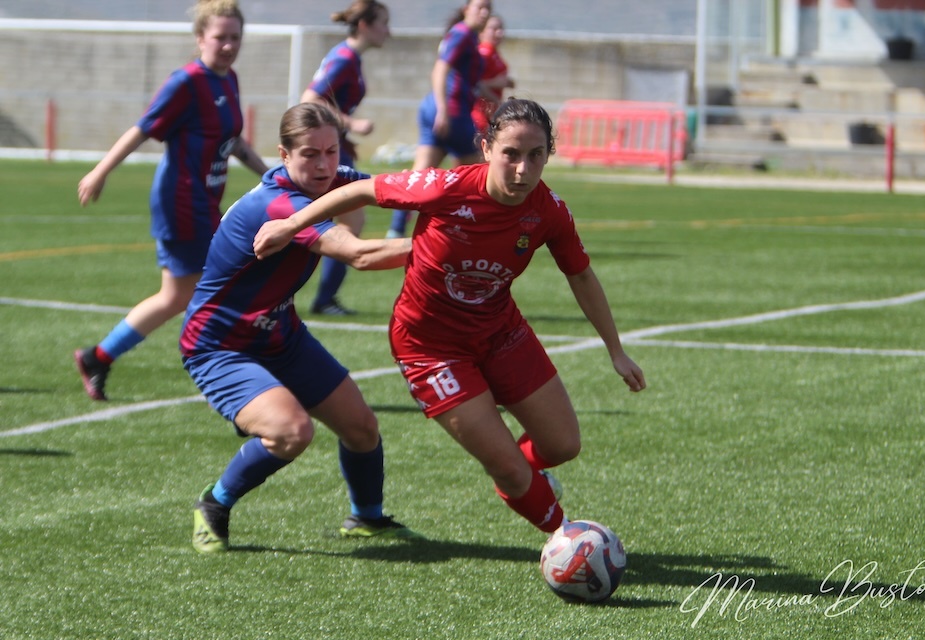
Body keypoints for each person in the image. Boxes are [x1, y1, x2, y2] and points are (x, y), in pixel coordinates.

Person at [254, 98, 646, 535]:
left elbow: (582, 276)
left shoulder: (547, 210)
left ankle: (518, 479)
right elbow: (362, 190)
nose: (522, 169)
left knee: (563, 444)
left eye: (535, 156)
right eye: (510, 154)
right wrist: (292, 224)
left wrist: (617, 351)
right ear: (486, 149)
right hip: (430, 347)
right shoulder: (445, 187)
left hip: (500, 332)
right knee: (513, 472)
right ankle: (567, 536)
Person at [184, 102, 417, 553]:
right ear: (284, 155)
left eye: (332, 151)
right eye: (311, 153)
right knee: (291, 432)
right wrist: (446, 245)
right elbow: (358, 255)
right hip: (220, 346)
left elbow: (391, 188)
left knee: (362, 428)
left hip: (280, 336)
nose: (325, 164)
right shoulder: (278, 203)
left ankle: (366, 517)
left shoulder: (334, 177)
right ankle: (213, 505)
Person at [74, 0, 270, 401]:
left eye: (235, 37)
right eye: (220, 37)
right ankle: (245, 372)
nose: (229, 45)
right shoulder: (186, 82)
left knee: (179, 296)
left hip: (206, 202)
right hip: (181, 202)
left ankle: (99, 356)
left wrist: (269, 174)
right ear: (200, 38)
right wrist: (101, 171)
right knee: (220, 285)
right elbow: (142, 129)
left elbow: (231, 141)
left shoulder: (228, 79)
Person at [301, 0, 391, 316]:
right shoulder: (344, 58)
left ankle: (324, 299)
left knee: (344, 221)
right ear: (364, 25)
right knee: (342, 223)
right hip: (325, 155)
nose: (388, 31)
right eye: (383, 23)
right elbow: (309, 100)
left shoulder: (349, 57)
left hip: (336, 149)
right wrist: (350, 123)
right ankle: (322, 299)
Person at [385, 0, 491, 239]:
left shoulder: (469, 37)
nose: (484, 13)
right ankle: (460, 226)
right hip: (450, 111)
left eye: (488, 9)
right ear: (466, 9)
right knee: (476, 172)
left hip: (435, 108)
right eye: (479, 7)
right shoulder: (462, 33)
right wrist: (443, 109)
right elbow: (440, 69)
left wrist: (493, 89)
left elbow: (466, 79)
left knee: (420, 173)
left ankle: (396, 230)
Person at [471, 14, 514, 136]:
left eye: (501, 29)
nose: (499, 33)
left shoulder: (493, 52)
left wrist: (506, 82)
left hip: (489, 113)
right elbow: (475, 83)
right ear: (481, 32)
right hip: (479, 113)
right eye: (494, 29)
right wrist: (499, 103)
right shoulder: (483, 53)